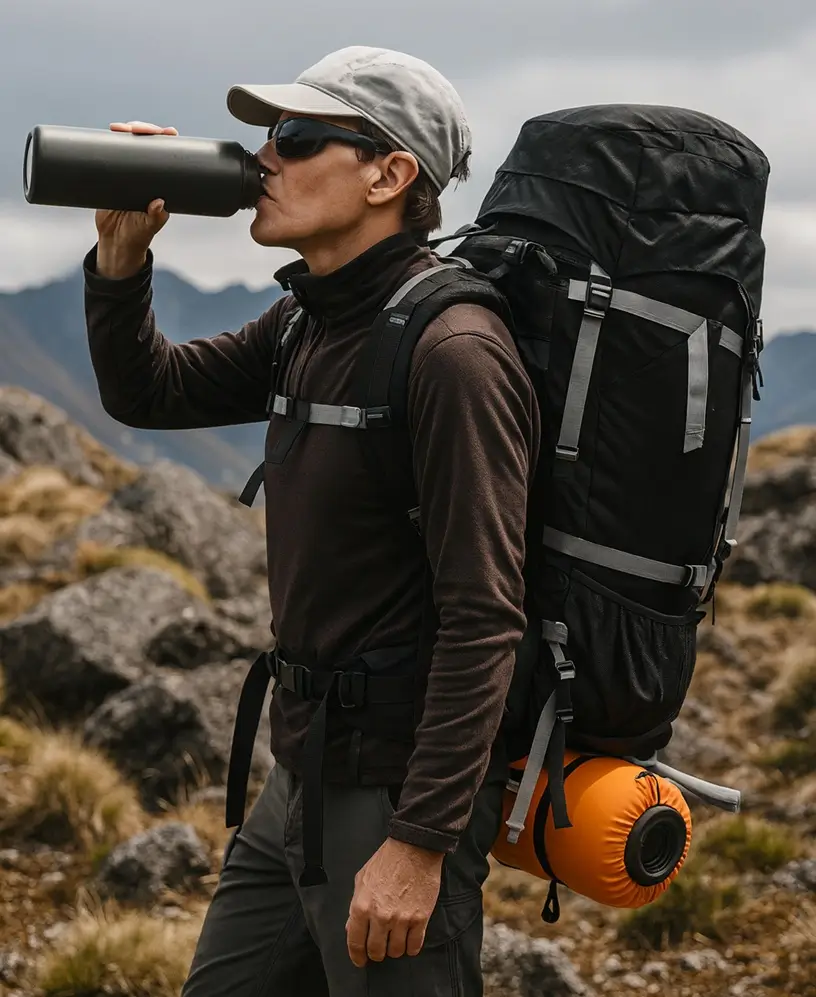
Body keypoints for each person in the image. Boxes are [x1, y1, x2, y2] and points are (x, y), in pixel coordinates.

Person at [82, 45, 541, 997]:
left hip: (397, 793)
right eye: (267, 136)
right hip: (299, 771)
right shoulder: (308, 320)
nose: (264, 157)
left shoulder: (453, 351)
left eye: (294, 137)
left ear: (389, 174)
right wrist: (121, 263)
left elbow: (484, 616)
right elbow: (149, 391)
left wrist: (419, 843)